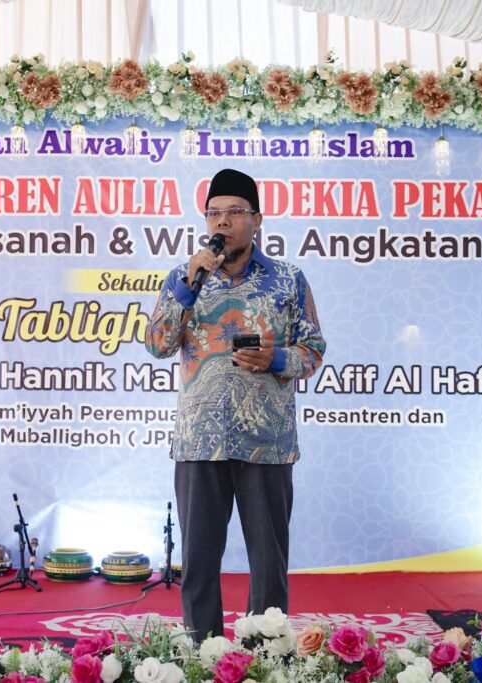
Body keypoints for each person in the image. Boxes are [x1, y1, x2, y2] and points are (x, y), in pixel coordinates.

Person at [145, 168, 326, 640]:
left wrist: (275, 358)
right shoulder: (183, 279)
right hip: (199, 440)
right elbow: (158, 344)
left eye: (233, 213)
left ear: (257, 220)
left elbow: (313, 352)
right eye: (213, 214)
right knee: (199, 560)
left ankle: (266, 657)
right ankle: (202, 654)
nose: (221, 222)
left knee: (268, 562)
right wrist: (187, 287)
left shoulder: (287, 279)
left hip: (266, 441)